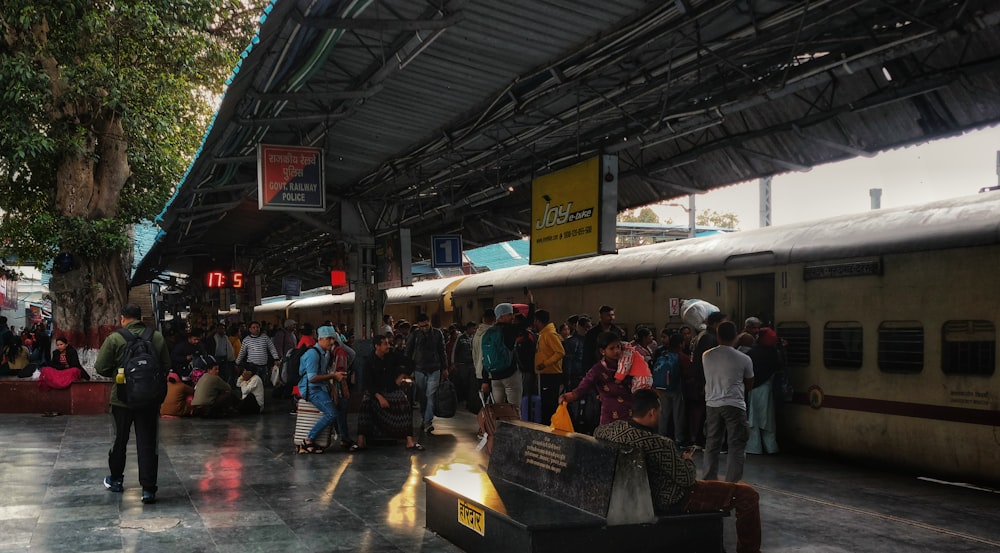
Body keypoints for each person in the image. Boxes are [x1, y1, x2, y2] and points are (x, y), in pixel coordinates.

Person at [594, 389, 761, 553]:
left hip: (629, 494)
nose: (661, 415)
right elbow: (687, 479)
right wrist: (688, 462)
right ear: (652, 412)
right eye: (660, 411)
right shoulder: (659, 444)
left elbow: (598, 432)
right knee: (747, 495)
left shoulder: (610, 429)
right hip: (670, 498)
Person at [94, 304, 171, 504]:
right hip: (149, 401)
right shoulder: (156, 337)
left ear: (122, 319)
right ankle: (148, 490)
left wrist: (120, 373)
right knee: (148, 443)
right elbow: (166, 366)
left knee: (119, 440)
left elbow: (100, 367)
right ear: (140, 317)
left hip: (121, 399)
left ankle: (116, 480)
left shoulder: (114, 338)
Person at [702, 321, 754, 482]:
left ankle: (709, 481)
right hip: (735, 405)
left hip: (712, 404)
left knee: (712, 444)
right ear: (735, 336)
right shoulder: (744, 359)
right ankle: (731, 485)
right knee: (736, 445)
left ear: (717, 336)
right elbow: (750, 383)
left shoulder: (707, 355)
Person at [354, 334, 423, 451]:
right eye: (385, 344)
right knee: (365, 404)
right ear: (377, 346)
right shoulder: (369, 361)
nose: (388, 346)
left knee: (404, 403)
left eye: (388, 343)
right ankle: (360, 440)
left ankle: (409, 441)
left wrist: (401, 376)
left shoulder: (392, 356)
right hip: (375, 392)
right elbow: (368, 384)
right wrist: (379, 397)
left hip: (392, 388)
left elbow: (410, 363)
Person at [559, 331, 633, 427]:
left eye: (618, 347)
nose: (616, 351)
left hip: (631, 415)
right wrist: (569, 396)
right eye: (612, 348)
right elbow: (584, 387)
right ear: (602, 351)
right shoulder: (598, 369)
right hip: (610, 419)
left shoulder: (628, 364)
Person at [298, 326, 349, 454]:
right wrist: (333, 376)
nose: (332, 342)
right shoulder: (313, 355)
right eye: (329, 339)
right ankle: (308, 440)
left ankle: (344, 438)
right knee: (332, 413)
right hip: (312, 390)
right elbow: (313, 378)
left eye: (333, 338)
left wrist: (332, 388)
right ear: (320, 339)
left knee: (340, 406)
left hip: (320, 387)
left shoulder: (323, 353)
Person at [688, 311, 728, 448]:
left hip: (706, 380)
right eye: (723, 322)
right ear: (716, 323)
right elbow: (703, 362)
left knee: (706, 412)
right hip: (708, 381)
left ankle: (700, 439)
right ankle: (703, 440)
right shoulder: (709, 338)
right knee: (709, 412)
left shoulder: (706, 336)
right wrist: (705, 382)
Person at [484, 301, 534, 407]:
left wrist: (485, 379)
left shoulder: (489, 332)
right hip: (510, 374)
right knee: (514, 409)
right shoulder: (509, 329)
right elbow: (528, 322)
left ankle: (499, 424)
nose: (512, 317)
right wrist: (531, 304)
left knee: (498, 409)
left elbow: (485, 355)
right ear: (501, 316)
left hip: (495, 376)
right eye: (510, 314)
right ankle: (513, 424)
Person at [404, 313, 447, 435]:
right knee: (422, 396)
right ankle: (425, 417)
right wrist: (407, 370)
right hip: (419, 369)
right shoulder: (415, 335)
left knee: (430, 395)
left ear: (429, 322)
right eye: (421, 326)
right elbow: (408, 352)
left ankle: (428, 421)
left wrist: (445, 368)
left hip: (434, 368)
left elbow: (442, 351)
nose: (424, 328)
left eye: (426, 325)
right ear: (418, 325)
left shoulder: (438, 334)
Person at [746, 328, 781, 455]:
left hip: (754, 388)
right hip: (768, 388)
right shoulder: (775, 353)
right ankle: (771, 447)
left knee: (753, 419)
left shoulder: (752, 353)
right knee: (769, 419)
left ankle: (754, 448)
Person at [532, 309, 565, 424]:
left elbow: (560, 352)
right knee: (545, 404)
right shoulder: (543, 334)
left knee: (549, 405)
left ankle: (550, 426)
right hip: (545, 374)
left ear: (537, 320)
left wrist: (545, 363)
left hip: (551, 374)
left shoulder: (549, 334)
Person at [235, 321, 280, 388]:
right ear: (250, 329)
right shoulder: (246, 340)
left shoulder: (265, 338)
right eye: (254, 327)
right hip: (251, 367)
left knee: (262, 384)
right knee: (252, 385)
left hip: (263, 366)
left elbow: (272, 348)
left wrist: (276, 358)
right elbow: (242, 352)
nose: (256, 329)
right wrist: (237, 363)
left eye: (257, 327)